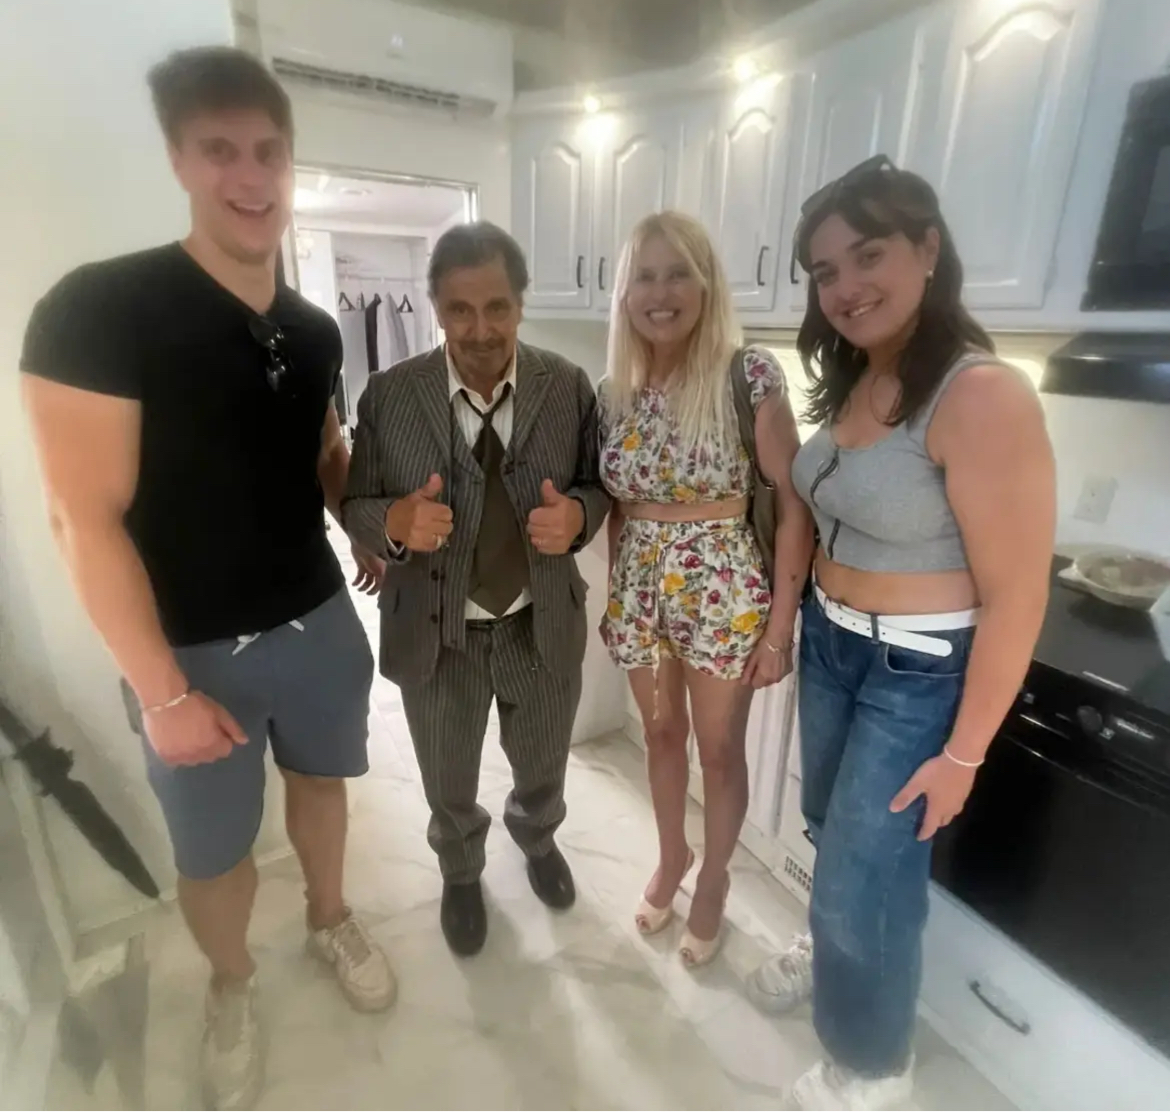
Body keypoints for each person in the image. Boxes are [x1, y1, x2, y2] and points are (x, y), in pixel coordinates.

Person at [20, 47, 396, 1111]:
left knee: (323, 788)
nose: (249, 174)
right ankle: (232, 984)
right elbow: (79, 518)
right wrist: (162, 694)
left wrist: (367, 522)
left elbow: (321, 451)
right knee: (215, 851)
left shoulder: (314, 330)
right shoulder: (99, 308)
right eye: (219, 149)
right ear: (179, 160)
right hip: (188, 654)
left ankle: (330, 919)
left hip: (318, 622)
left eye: (268, 150)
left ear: (290, 160)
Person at [746, 157, 1055, 1110]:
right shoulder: (856, 378)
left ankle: (873, 1066)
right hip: (834, 645)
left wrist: (963, 756)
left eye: (868, 255)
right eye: (824, 271)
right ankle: (838, 953)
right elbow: (821, 503)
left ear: (928, 249)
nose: (845, 287)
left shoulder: (980, 395)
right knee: (832, 833)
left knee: (862, 877)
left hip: (915, 669)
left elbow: (1018, 597)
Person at [342, 221, 610, 958]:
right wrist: (393, 521)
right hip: (436, 631)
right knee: (447, 772)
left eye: (498, 307)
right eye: (460, 310)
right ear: (434, 306)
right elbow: (356, 502)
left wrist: (579, 515)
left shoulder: (567, 386)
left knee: (544, 760)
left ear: (521, 303)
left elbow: (596, 484)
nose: (481, 329)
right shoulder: (388, 395)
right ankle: (461, 870)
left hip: (538, 620)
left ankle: (538, 839)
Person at [597, 211, 813, 968]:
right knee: (661, 736)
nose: (660, 294)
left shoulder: (746, 375)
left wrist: (780, 629)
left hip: (723, 594)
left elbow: (794, 506)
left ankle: (715, 878)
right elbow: (618, 508)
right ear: (625, 295)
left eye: (677, 274)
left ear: (707, 284)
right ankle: (673, 857)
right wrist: (617, 599)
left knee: (719, 752)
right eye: (644, 277)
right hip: (639, 594)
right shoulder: (613, 390)